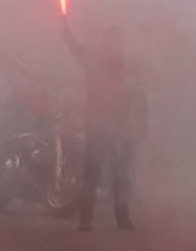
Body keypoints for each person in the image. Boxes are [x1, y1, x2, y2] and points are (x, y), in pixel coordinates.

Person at [60, 16, 149, 231]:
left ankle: (122, 218)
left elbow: (141, 97)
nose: (114, 45)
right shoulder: (93, 62)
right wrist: (64, 26)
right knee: (92, 174)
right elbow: (75, 46)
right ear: (104, 43)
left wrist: (143, 124)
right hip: (98, 128)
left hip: (122, 129)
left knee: (121, 176)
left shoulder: (130, 68)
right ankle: (85, 219)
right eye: (111, 41)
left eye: (118, 41)